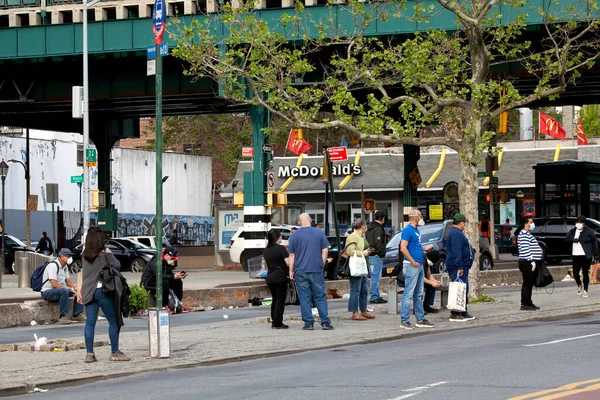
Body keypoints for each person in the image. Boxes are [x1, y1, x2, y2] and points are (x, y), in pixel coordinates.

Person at [78, 227, 131, 363]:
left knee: (90, 323)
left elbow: (83, 274)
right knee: (114, 321)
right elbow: (117, 265)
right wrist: (109, 253)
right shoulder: (104, 254)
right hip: (102, 291)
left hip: (88, 292)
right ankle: (115, 352)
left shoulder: (85, 254)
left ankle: (89, 354)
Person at [288, 213, 334, 331]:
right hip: (316, 269)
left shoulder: (294, 235)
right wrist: (322, 265)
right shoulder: (319, 233)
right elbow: (325, 251)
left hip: (300, 270)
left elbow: (292, 255)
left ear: (299, 222)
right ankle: (325, 322)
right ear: (311, 220)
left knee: (304, 297)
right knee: (320, 296)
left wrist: (291, 270)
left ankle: (308, 323)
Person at [399, 209, 434, 330]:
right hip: (411, 265)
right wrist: (413, 261)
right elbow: (403, 248)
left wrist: (424, 249)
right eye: (420, 215)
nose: (421, 218)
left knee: (418, 293)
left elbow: (413, 246)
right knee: (409, 293)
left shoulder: (416, 231)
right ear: (414, 217)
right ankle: (405, 320)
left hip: (417, 265)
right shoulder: (408, 230)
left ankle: (420, 318)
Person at [40, 248, 85, 325]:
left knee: (81, 289)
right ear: (61, 257)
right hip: (47, 292)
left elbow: (68, 282)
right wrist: (68, 289)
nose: (70, 258)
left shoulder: (65, 267)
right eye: (68, 256)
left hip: (60, 290)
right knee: (64, 291)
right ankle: (63, 316)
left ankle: (77, 314)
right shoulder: (53, 266)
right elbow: (54, 284)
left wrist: (76, 287)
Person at [446, 213, 476, 322]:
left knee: (462, 288)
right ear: (461, 223)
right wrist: (459, 266)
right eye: (464, 223)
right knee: (459, 288)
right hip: (457, 266)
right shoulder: (456, 234)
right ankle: (456, 312)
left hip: (460, 264)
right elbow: (456, 251)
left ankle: (462, 310)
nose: (464, 225)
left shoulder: (456, 233)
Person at [345, 218, 376, 321]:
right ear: (363, 226)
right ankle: (354, 312)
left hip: (364, 265)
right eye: (365, 225)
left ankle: (363, 310)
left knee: (364, 289)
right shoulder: (352, 236)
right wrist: (365, 253)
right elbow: (349, 251)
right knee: (356, 289)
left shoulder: (361, 236)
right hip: (356, 266)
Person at [141, 246, 189, 312]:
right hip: (149, 283)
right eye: (172, 258)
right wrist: (173, 276)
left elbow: (169, 273)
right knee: (165, 283)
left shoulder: (168, 261)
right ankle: (165, 305)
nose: (173, 260)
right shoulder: (156, 261)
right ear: (167, 255)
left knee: (178, 282)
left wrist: (178, 275)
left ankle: (178, 303)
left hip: (160, 279)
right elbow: (159, 276)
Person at [565, 215, 598, 298]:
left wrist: (595, 254)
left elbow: (594, 242)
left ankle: (586, 290)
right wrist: (573, 240)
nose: (578, 224)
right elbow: (566, 239)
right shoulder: (572, 231)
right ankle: (579, 285)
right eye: (577, 222)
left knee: (585, 273)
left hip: (585, 255)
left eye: (580, 222)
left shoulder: (589, 232)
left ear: (584, 223)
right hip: (575, 255)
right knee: (575, 273)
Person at [264, 229, 290, 329]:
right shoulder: (281, 248)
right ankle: (277, 322)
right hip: (280, 277)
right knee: (280, 300)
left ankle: (274, 319)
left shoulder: (266, 250)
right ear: (278, 237)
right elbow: (287, 262)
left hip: (270, 277)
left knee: (275, 299)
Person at [516, 217, 543, 310]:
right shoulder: (523, 235)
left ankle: (528, 302)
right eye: (531, 222)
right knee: (527, 283)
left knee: (530, 283)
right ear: (525, 223)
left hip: (530, 262)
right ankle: (524, 303)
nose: (532, 224)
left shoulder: (527, 234)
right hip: (527, 262)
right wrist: (531, 260)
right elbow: (525, 248)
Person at [366, 211, 387, 304]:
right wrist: (381, 252)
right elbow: (378, 242)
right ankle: (374, 296)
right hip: (376, 255)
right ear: (382, 218)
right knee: (376, 277)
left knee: (374, 276)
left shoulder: (369, 228)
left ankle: (376, 295)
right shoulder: (378, 228)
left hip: (370, 254)